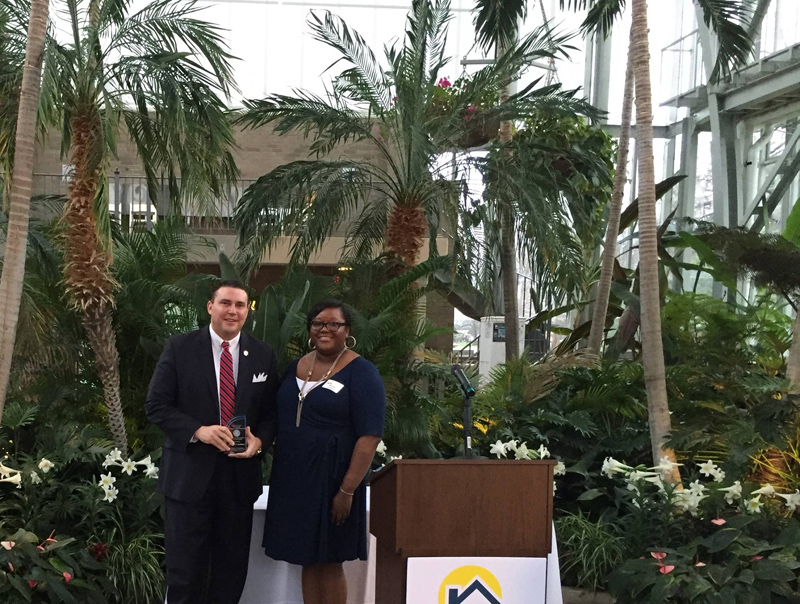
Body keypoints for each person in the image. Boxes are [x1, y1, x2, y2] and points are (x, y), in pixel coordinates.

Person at [146, 280, 279, 604]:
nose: (232, 311)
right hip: (188, 480)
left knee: (231, 570)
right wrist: (199, 430)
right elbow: (156, 405)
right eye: (225, 303)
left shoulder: (262, 354)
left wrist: (258, 441)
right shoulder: (180, 348)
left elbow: (271, 413)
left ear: (248, 311)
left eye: (240, 305)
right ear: (210, 307)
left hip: (238, 480)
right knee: (184, 572)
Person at [263, 298, 385, 604]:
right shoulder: (296, 366)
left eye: (334, 324)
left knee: (330, 561)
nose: (325, 329)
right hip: (295, 479)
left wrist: (347, 490)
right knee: (308, 557)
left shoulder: (362, 372)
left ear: (347, 331)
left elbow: (369, 437)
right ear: (310, 329)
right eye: (318, 323)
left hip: (334, 481)